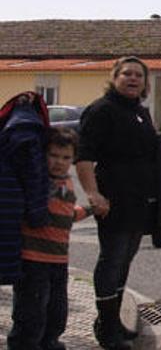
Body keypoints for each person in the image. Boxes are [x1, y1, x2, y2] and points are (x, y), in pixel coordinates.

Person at [76, 57, 158, 350]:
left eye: (138, 75)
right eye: (127, 74)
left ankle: (113, 321)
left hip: (139, 201)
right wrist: (93, 194)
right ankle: (106, 327)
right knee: (112, 260)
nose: (133, 79)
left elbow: (147, 150)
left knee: (125, 260)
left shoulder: (140, 112)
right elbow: (84, 155)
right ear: (114, 77)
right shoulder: (101, 110)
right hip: (113, 200)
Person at [8, 127, 93, 350]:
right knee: (30, 317)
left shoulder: (67, 183)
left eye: (66, 158)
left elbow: (67, 214)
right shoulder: (38, 183)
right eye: (53, 155)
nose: (59, 162)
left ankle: (50, 342)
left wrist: (91, 210)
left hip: (58, 262)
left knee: (56, 313)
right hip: (33, 261)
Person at [0, 92, 51, 286]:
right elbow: (34, 175)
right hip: (9, 207)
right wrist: (38, 216)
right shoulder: (27, 130)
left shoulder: (9, 125)